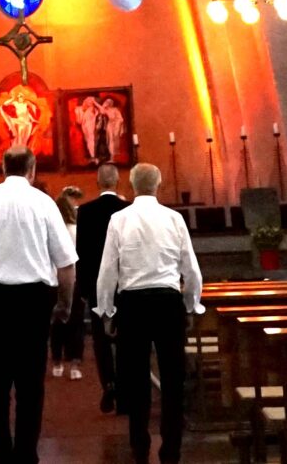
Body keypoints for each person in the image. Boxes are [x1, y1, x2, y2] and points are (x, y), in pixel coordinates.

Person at [0, 145, 78, 464]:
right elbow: (66, 264)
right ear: (32, 168)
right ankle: (26, 452)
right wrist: (65, 304)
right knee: (30, 382)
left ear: (2, 168)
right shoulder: (44, 203)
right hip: (34, 300)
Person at [95, 162, 203, 464]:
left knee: (135, 378)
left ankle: (139, 443)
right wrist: (191, 304)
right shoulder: (174, 219)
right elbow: (190, 267)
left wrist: (106, 310)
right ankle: (172, 448)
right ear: (159, 184)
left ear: (131, 185)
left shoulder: (119, 219)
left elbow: (108, 270)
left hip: (133, 305)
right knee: (172, 377)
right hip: (168, 301)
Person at [72, 162, 128, 409]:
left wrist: (83, 289)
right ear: (117, 182)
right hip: (125, 282)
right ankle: (126, 389)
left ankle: (109, 384)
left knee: (100, 338)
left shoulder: (85, 212)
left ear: (97, 183)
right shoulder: (127, 210)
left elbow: (81, 252)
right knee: (127, 336)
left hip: (96, 283)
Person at [50, 188, 86, 375]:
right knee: (76, 321)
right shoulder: (77, 231)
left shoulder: (50, 231)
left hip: (54, 280)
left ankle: (57, 362)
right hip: (74, 279)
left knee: (57, 321)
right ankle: (74, 364)